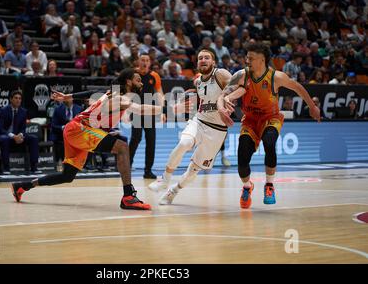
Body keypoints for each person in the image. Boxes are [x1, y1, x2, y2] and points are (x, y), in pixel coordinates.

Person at [11, 68, 165, 210]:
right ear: (129, 82)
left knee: (67, 176)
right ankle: (128, 196)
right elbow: (140, 109)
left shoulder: (112, 92)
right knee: (122, 146)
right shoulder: (120, 98)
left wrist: (69, 96)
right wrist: (166, 109)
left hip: (76, 129)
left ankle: (22, 186)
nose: (141, 82)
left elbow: (92, 93)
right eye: (138, 79)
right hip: (80, 129)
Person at [218, 43, 320, 209]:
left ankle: (269, 186)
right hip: (250, 121)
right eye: (247, 57)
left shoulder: (276, 77)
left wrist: (312, 106)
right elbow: (225, 93)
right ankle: (247, 186)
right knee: (242, 160)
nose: (247, 60)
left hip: (270, 118)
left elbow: (298, 87)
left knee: (270, 142)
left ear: (262, 60)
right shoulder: (241, 75)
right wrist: (223, 103)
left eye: (251, 58)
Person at [149, 48, 232, 205]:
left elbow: (235, 86)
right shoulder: (198, 81)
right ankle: (164, 180)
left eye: (207, 57)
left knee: (193, 170)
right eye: (200, 58)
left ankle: (173, 191)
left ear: (213, 62)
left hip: (217, 130)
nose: (203, 60)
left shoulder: (221, 74)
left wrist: (228, 99)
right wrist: (183, 103)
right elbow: (197, 99)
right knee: (184, 143)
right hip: (199, 121)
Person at [129, 53, 165, 179]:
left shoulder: (154, 75)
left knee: (151, 141)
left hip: (149, 112)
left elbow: (160, 93)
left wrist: (163, 111)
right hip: (137, 111)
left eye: (147, 60)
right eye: (142, 60)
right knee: (136, 138)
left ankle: (148, 171)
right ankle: (127, 166)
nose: (145, 62)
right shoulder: (132, 74)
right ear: (138, 61)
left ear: (150, 63)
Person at [0, 90, 40, 174]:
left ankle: (34, 167)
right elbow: (0, 129)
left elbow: (23, 128)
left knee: (33, 138)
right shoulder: (4, 110)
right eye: (16, 98)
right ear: (11, 99)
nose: (18, 100)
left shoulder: (23, 111)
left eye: (20, 98)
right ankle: (6, 168)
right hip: (6, 135)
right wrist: (13, 136)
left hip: (17, 135)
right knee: (4, 139)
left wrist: (20, 135)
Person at [50, 98, 83, 166]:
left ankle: (82, 163)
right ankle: (60, 162)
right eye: (65, 98)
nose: (66, 100)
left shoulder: (79, 109)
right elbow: (53, 125)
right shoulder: (58, 110)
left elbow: (83, 124)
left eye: (68, 98)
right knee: (59, 141)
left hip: (75, 134)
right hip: (61, 135)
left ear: (72, 99)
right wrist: (63, 127)